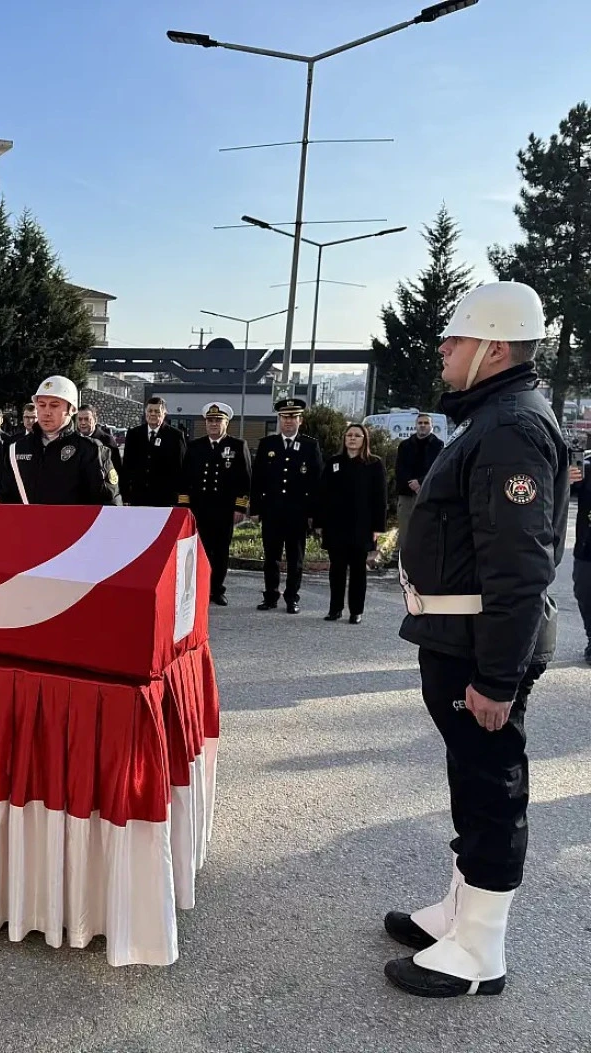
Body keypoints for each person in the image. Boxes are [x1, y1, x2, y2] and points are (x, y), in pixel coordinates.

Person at [385, 282, 568, 999]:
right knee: (470, 777)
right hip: (460, 638)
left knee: (492, 788)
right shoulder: (492, 417)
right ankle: (458, 916)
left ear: (494, 347)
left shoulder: (512, 428)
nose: (442, 350)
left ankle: (480, 952)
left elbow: (521, 567)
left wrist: (497, 678)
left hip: (481, 649)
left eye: (455, 340)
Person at [249, 397, 323, 614]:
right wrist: (255, 509)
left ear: (300, 420)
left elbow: (317, 483)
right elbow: (258, 479)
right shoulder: (267, 445)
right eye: (284, 417)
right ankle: (270, 595)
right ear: (279, 419)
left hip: (297, 513)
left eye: (293, 417)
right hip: (272, 511)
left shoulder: (310, 446)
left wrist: (314, 514)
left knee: (295, 558)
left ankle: (292, 597)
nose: (288, 421)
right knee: (271, 556)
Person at [0, 376, 120, 505]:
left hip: (77, 524)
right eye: (41, 405)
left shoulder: (91, 451)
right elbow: (7, 502)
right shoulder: (16, 448)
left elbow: (109, 505)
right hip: (29, 524)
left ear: (72, 409)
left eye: (54, 405)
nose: (46, 412)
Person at [181, 403, 252, 606]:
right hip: (199, 509)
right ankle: (197, 588)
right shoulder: (195, 446)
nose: (213, 424)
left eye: (218, 420)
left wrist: (240, 507)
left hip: (224, 509)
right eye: (210, 420)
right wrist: (184, 506)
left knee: (220, 551)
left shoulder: (238, 446)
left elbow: (245, 480)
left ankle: (217, 590)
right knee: (198, 551)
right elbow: (185, 478)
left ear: (226, 422)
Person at [317, 423, 386, 624]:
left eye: (357, 435)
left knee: (358, 570)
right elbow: (323, 494)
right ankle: (335, 609)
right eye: (349, 435)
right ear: (344, 439)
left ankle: (356, 611)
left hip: (361, 526)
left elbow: (379, 498)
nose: (353, 439)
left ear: (364, 440)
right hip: (336, 526)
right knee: (336, 569)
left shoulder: (374, 464)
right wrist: (320, 522)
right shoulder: (334, 462)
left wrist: (377, 528)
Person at [121, 396, 187, 507]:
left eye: (157, 411)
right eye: (150, 411)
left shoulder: (175, 436)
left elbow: (181, 468)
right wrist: (125, 495)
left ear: (164, 414)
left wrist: (178, 498)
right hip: (138, 497)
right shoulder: (134, 434)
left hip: (165, 498)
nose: (152, 414)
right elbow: (127, 466)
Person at [394, 412, 444, 543]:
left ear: (432, 426)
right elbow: (400, 469)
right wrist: (411, 484)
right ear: (415, 425)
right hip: (406, 495)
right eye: (420, 423)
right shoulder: (405, 446)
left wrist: (421, 483)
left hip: (427, 494)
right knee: (405, 532)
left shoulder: (438, 446)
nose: (423, 426)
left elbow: (437, 469)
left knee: (426, 531)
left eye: (426, 423)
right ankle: (402, 560)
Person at [571, 444, 590, 664]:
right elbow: (564, 491)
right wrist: (564, 478)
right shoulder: (586, 466)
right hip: (587, 549)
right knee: (585, 594)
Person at [76, 405, 123, 477]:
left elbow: (116, 469)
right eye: (80, 419)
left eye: (87, 419)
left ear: (95, 420)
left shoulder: (107, 441)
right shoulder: (73, 440)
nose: (83, 423)